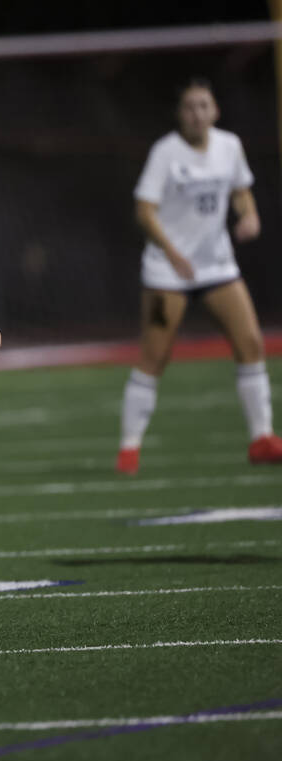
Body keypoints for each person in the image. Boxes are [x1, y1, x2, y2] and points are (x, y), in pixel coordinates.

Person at [117, 78, 282, 474]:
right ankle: (129, 449)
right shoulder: (165, 153)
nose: (196, 113)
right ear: (180, 114)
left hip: (216, 265)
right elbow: (144, 211)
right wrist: (174, 254)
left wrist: (250, 214)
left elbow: (241, 189)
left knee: (251, 345)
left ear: (215, 111)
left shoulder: (230, 146)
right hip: (167, 271)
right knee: (156, 357)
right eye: (189, 107)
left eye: (203, 106)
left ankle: (261, 438)